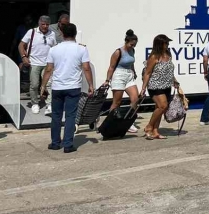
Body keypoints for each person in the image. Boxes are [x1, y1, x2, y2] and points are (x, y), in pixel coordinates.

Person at [39, 23, 93, 153]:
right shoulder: (81, 49)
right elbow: (86, 68)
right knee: (70, 116)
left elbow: (48, 69)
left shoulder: (54, 49)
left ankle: (55, 143)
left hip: (57, 86)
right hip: (73, 86)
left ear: (62, 34)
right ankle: (68, 144)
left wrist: (43, 86)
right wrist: (91, 85)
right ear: (75, 34)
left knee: (56, 115)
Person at [140, 34, 177, 139]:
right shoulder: (154, 57)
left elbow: (169, 70)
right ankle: (149, 126)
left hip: (166, 85)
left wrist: (175, 81)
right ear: (160, 44)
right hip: (155, 85)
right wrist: (143, 88)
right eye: (166, 43)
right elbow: (147, 73)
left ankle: (156, 131)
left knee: (159, 108)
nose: (168, 45)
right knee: (163, 106)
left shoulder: (168, 54)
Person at [103, 29, 140, 134]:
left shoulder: (132, 50)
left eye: (134, 45)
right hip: (119, 75)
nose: (133, 47)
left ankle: (128, 122)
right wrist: (107, 80)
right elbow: (111, 67)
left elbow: (131, 62)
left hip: (129, 75)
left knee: (135, 99)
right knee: (117, 102)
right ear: (126, 42)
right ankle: (109, 123)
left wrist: (134, 71)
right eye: (131, 44)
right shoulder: (118, 52)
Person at [18, 15, 57, 114]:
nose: (45, 26)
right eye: (43, 24)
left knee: (49, 84)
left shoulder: (52, 34)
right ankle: (35, 103)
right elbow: (21, 45)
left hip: (48, 63)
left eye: (47, 24)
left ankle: (49, 104)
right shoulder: (32, 32)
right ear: (39, 23)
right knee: (34, 85)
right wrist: (23, 56)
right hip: (34, 63)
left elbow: (55, 47)